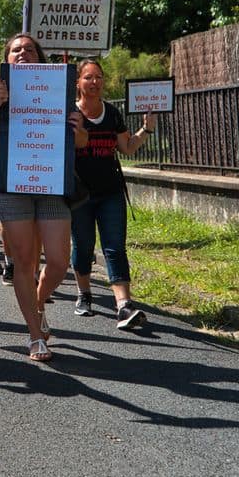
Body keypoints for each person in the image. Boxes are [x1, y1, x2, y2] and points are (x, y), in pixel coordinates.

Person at [0, 33, 88, 363]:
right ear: (7, 59)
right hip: (11, 182)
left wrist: (77, 127)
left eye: (29, 49)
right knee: (23, 261)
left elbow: (80, 143)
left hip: (51, 181)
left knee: (60, 261)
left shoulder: (58, 91)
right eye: (16, 50)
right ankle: (36, 336)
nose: (23, 53)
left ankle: (37, 304)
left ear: (40, 56)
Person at [72, 57, 157, 329]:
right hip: (80, 195)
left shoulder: (112, 113)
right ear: (78, 83)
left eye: (98, 77)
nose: (94, 82)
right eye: (88, 77)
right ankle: (84, 294)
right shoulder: (70, 114)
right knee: (83, 246)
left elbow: (128, 147)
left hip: (110, 191)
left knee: (114, 247)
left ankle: (123, 305)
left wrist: (148, 128)